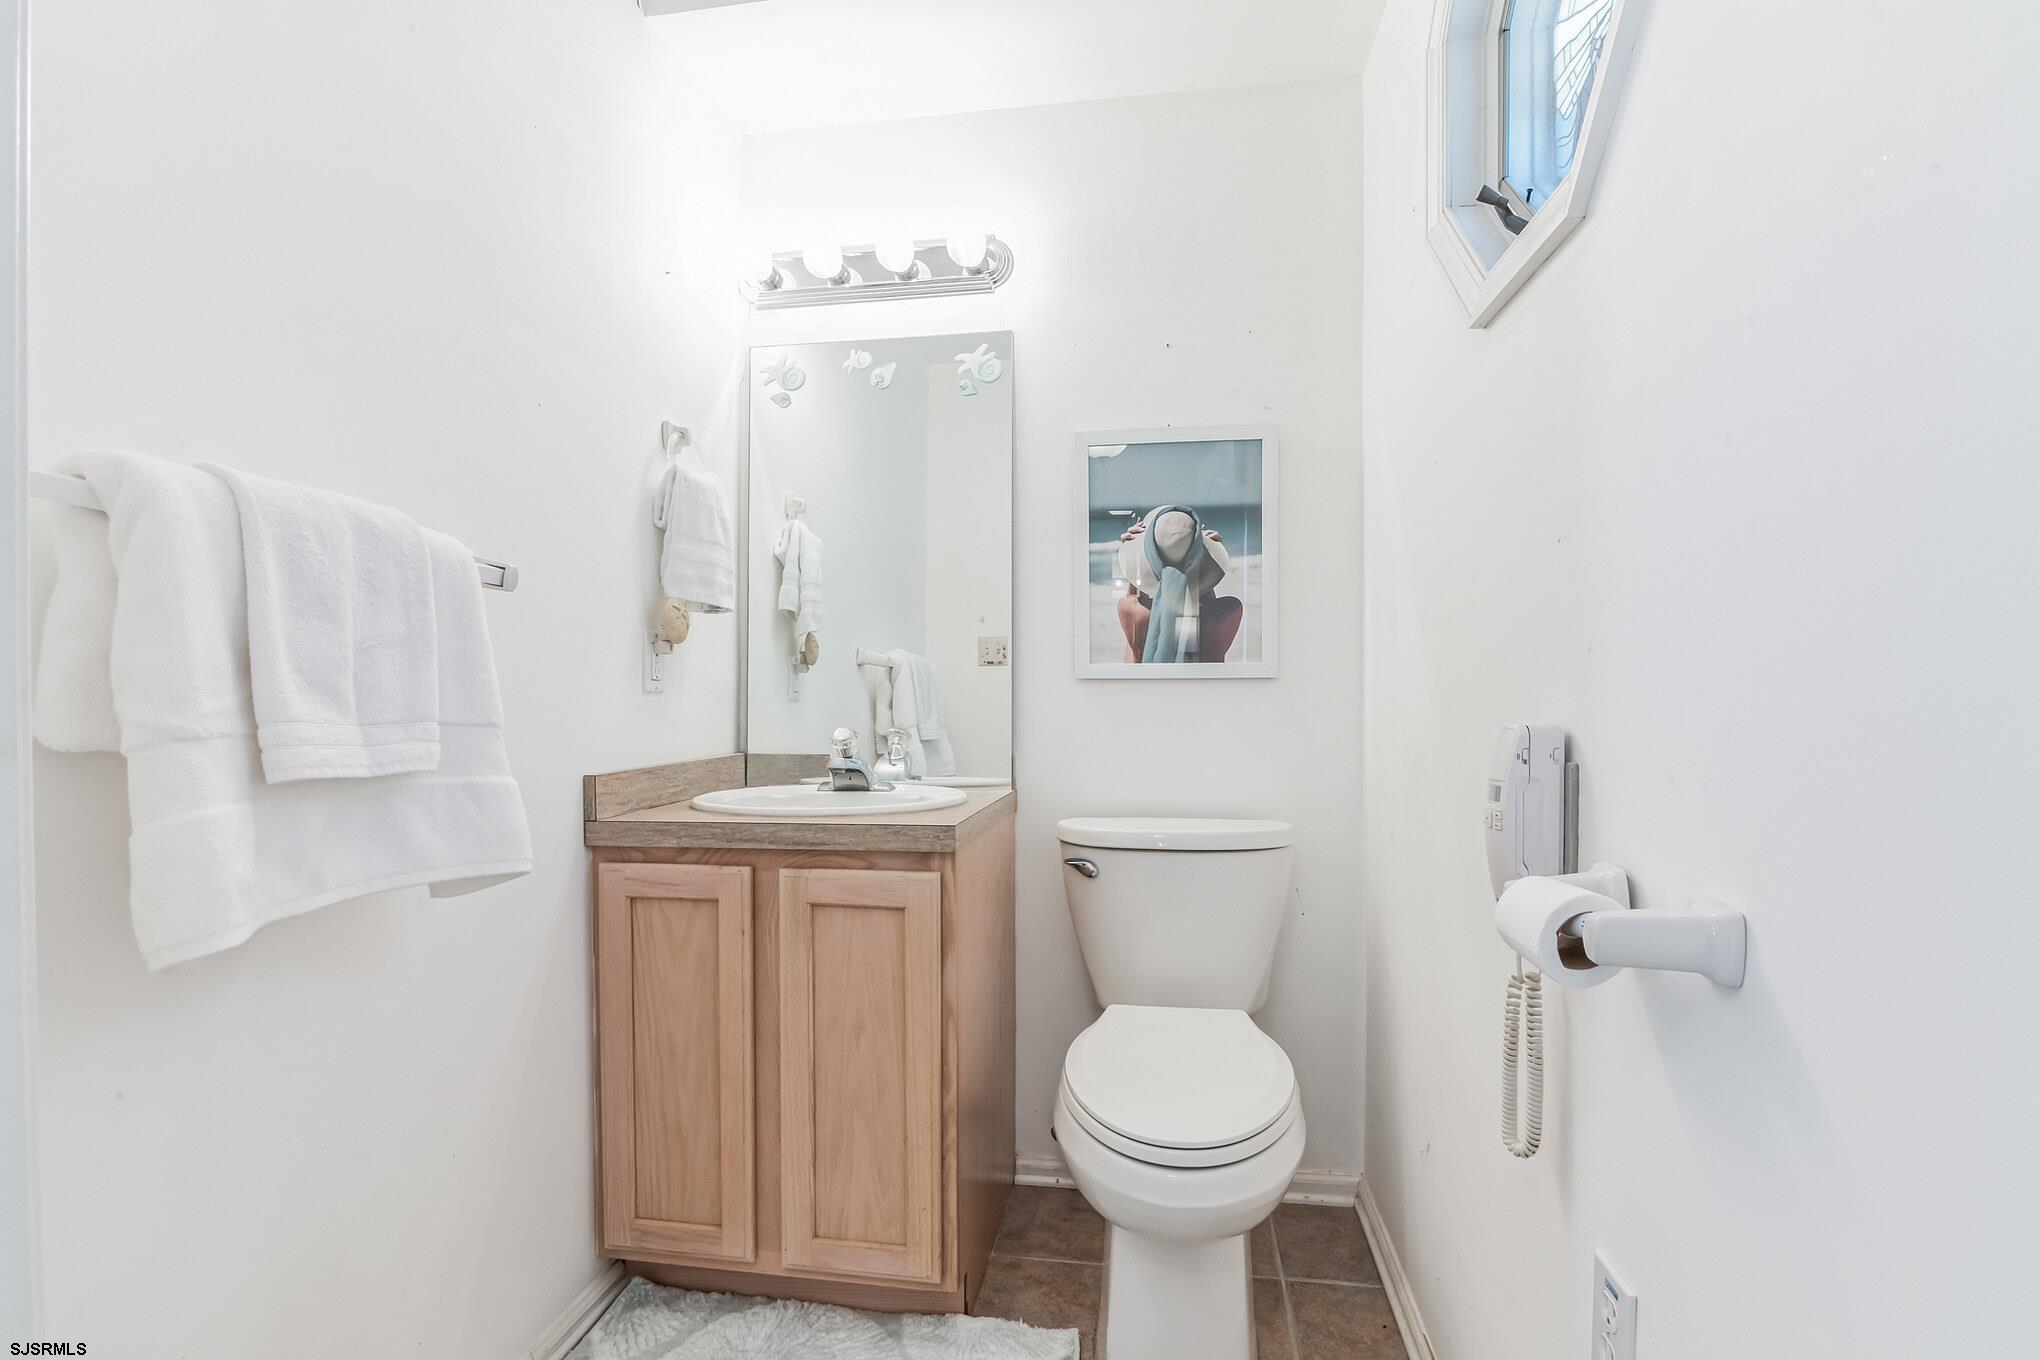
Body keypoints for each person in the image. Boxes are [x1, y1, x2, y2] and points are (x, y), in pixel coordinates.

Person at [1113, 512, 1244, 662]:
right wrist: (1203, 557)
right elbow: (1205, 592)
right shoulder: (1226, 612)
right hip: (1205, 686)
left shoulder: (1131, 611)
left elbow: (1135, 589)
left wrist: (1133, 554)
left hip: (1146, 685)